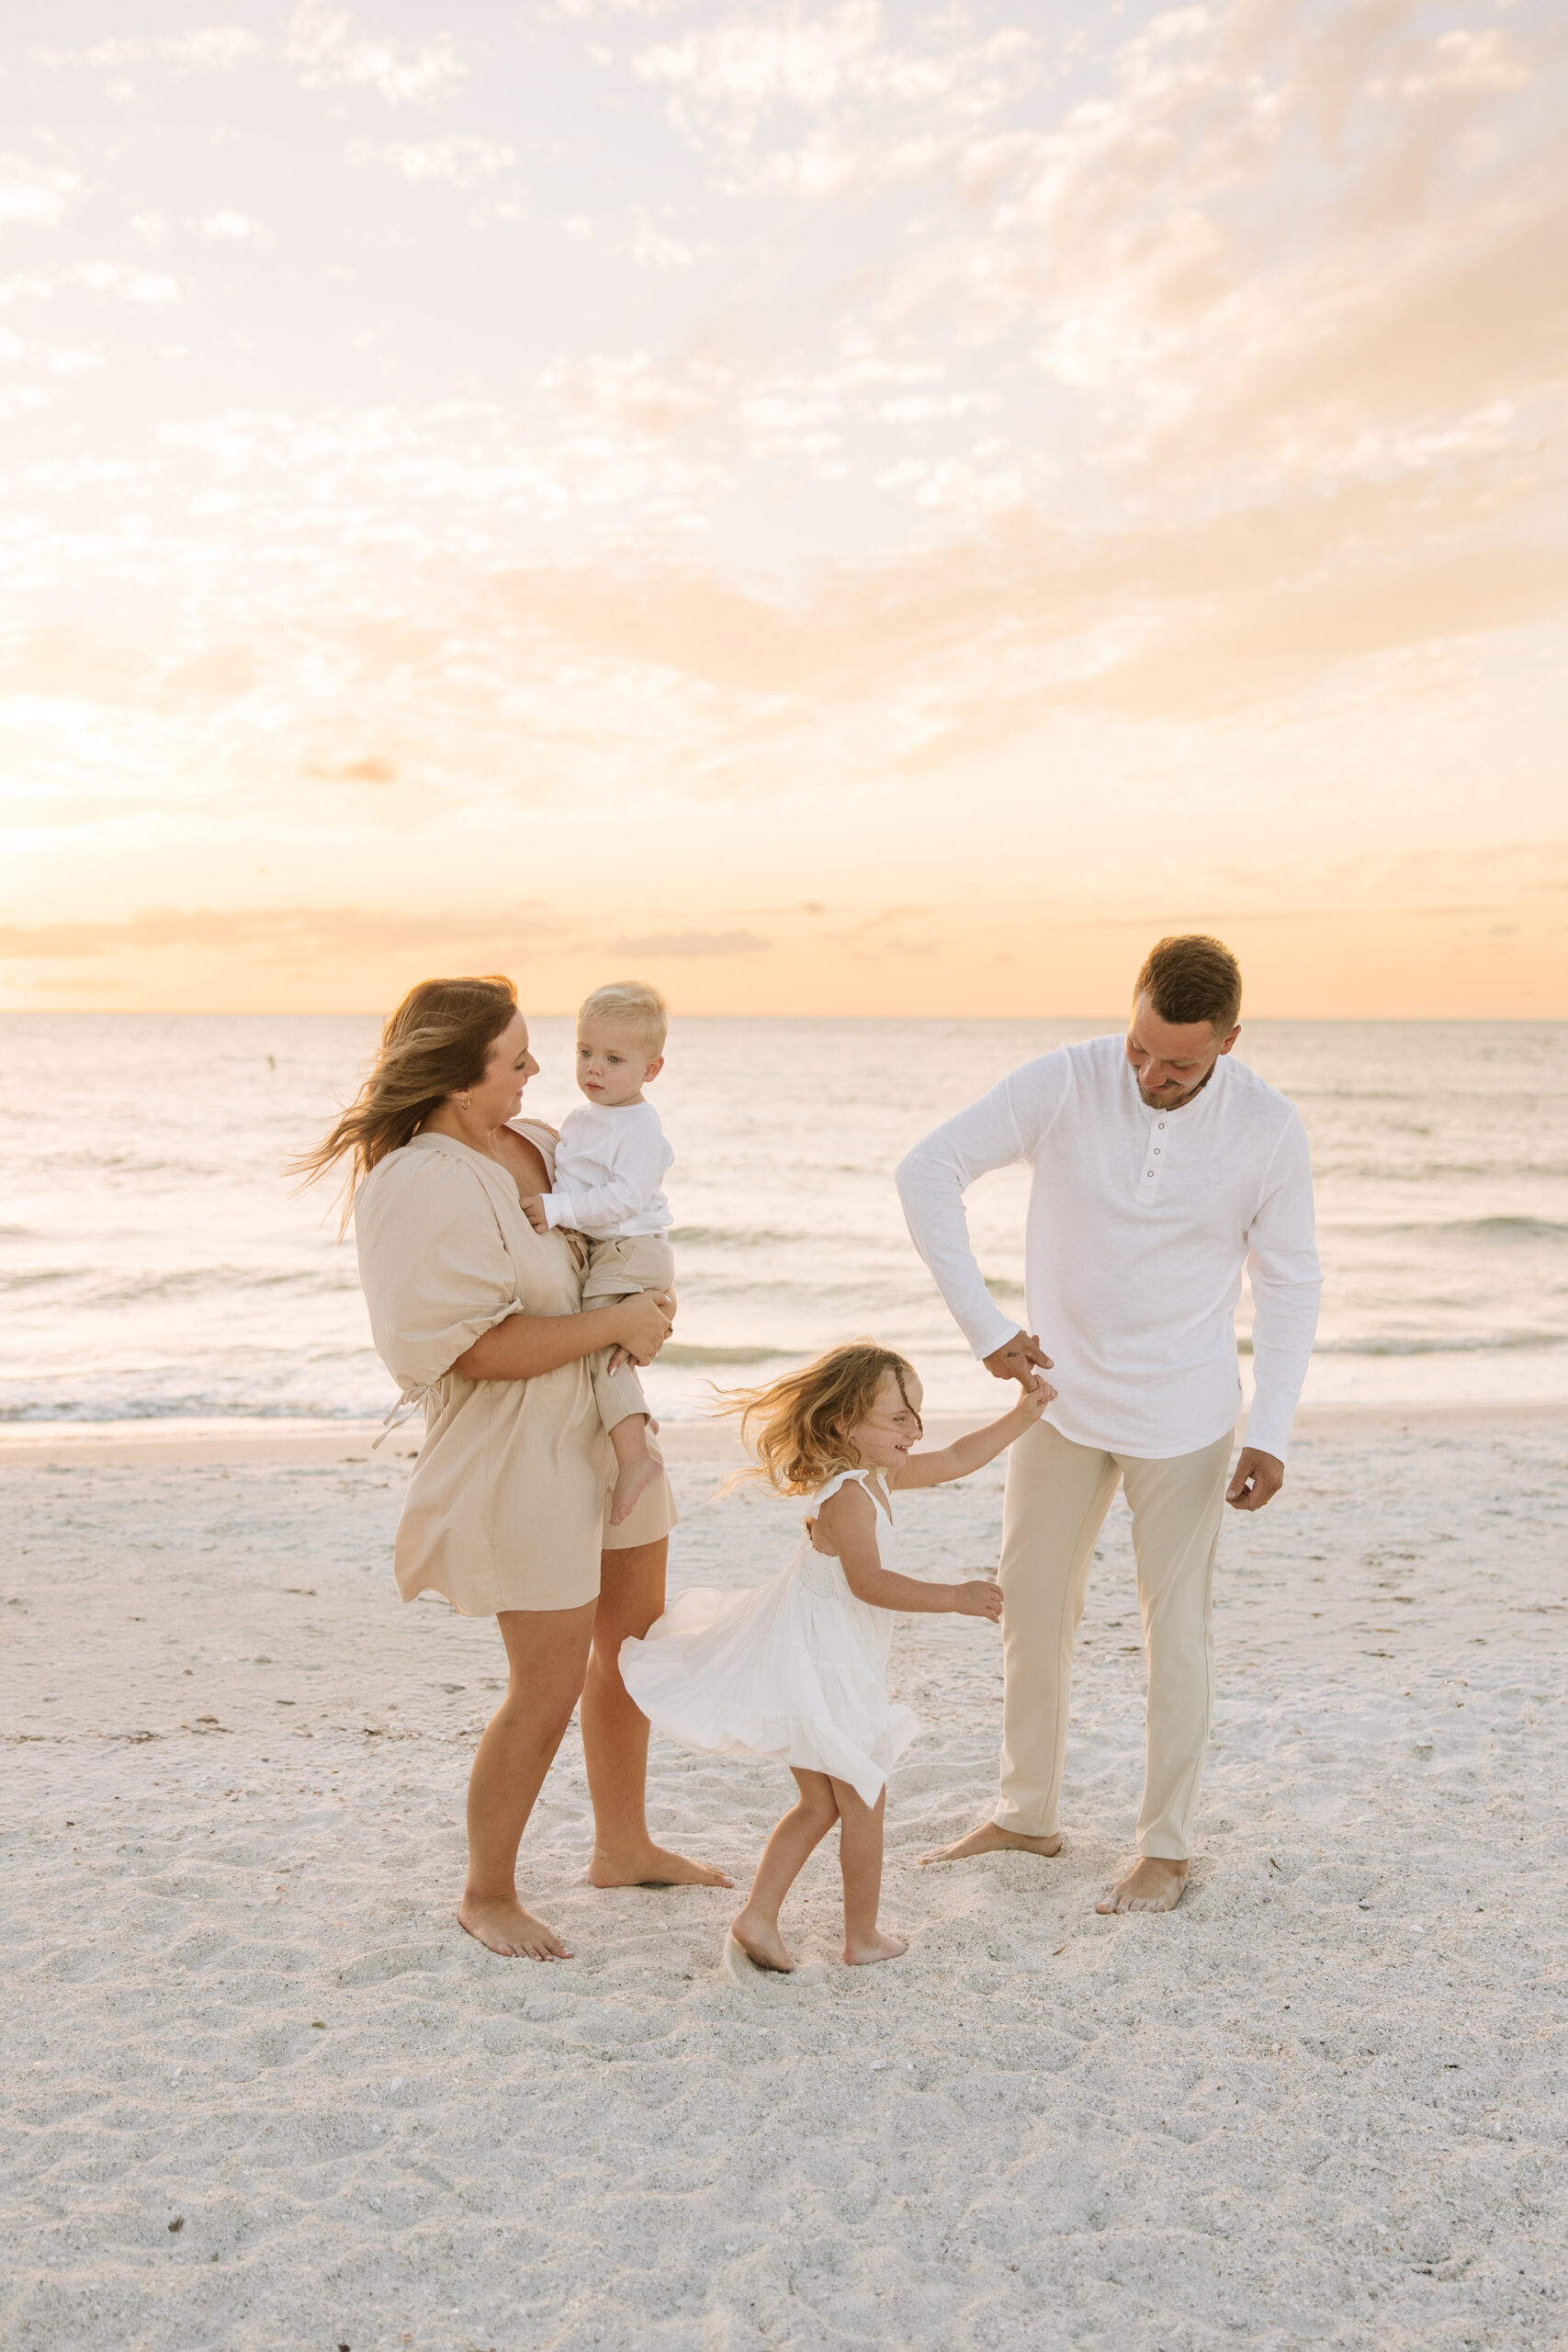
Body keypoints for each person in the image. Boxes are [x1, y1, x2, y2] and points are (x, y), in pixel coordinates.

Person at [293, 973, 730, 1963]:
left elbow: (610, 1241)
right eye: (518, 1058)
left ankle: (622, 1843)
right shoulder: (420, 1180)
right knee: (545, 1684)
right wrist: (615, 1321)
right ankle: (487, 1890)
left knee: (633, 1644)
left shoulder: (526, 1147)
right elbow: (468, 1348)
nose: (541, 1070)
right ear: (458, 1079)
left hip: (600, 1424)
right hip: (517, 1450)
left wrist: (639, 1312)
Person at [896, 934, 1321, 1915]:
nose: (1150, 1075)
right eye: (1139, 1048)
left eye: (1177, 1062)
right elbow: (927, 1171)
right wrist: (988, 1329)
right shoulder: (1067, 1080)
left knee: (1177, 1631)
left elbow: (1291, 1281)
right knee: (1031, 1608)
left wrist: (1275, 1427)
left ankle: (1164, 1849)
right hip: (1061, 1403)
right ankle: (1026, 1813)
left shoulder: (1267, 1125)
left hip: (1188, 1413)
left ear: (1230, 1040)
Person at [620, 1342, 1050, 1972]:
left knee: (822, 1804)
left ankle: (757, 1917)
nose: (916, 1430)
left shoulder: (879, 1476)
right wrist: (952, 1596)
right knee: (862, 1797)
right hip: (820, 1667)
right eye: (898, 1418)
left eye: (917, 1415)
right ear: (845, 1424)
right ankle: (862, 1938)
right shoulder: (848, 1495)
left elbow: (958, 1457)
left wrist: (1024, 1414)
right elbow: (867, 1583)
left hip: (820, 1657)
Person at [518, 979, 675, 1530]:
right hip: (616, 1251)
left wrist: (557, 1210)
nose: (595, 1069)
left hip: (630, 1250)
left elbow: (624, 1200)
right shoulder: (588, 1115)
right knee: (609, 1349)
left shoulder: (638, 1124)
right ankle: (631, 1419)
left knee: (599, 1348)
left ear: (650, 1070)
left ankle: (634, 1460)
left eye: (613, 1058)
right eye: (585, 1052)